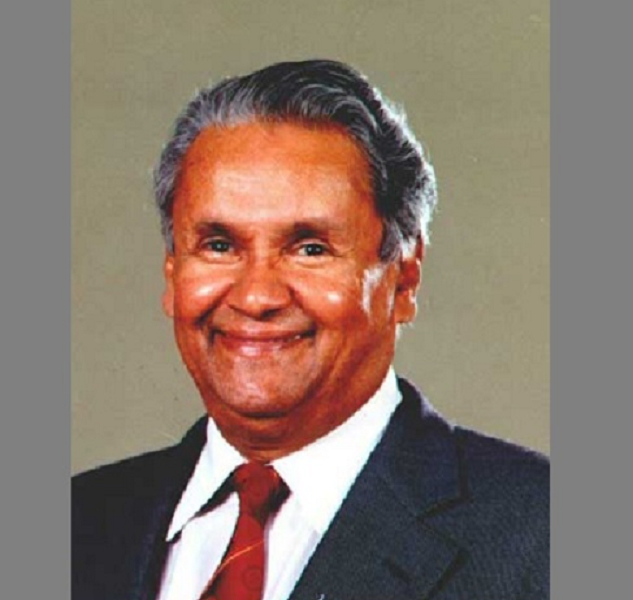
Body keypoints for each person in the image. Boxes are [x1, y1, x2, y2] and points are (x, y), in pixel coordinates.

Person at [72, 59, 549, 600]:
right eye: (219, 246)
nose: (256, 297)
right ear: (172, 272)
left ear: (404, 280)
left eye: (310, 249)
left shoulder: (544, 535)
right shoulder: (77, 524)